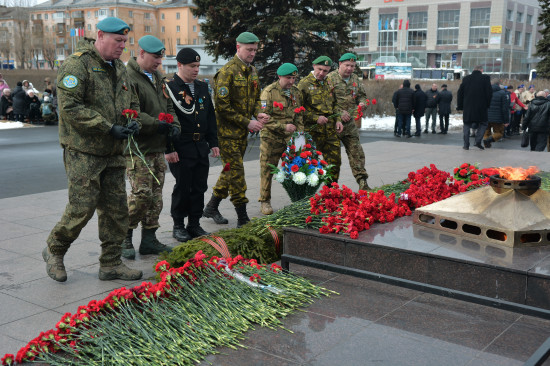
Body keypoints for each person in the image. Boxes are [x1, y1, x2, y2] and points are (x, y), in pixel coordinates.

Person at [43, 17, 143, 282]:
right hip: (83, 152)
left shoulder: (118, 68)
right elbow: (70, 108)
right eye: (118, 40)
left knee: (117, 211)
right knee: (82, 208)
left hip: (113, 152)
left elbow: (131, 99)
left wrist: (131, 119)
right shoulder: (77, 64)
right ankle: (54, 249)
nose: (123, 46)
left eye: (125, 41)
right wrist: (108, 127)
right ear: (100, 35)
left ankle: (110, 264)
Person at [122, 35, 180, 259]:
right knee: (141, 194)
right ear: (142, 53)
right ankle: (124, 236)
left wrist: (173, 125)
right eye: (156, 58)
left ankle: (149, 239)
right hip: (138, 147)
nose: (159, 62)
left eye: (161, 58)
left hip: (157, 146)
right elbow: (131, 112)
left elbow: (169, 106)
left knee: (156, 197)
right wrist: (159, 124)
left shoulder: (157, 78)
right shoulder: (128, 77)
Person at [203, 32, 269, 228]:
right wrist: (247, 122)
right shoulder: (227, 72)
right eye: (249, 50)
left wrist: (258, 114)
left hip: (242, 133)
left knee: (230, 170)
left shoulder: (253, 71)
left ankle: (212, 206)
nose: (252, 53)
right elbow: (222, 107)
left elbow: (256, 99)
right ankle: (242, 217)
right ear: (238, 48)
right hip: (227, 134)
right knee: (237, 173)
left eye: (255, 50)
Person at [166, 48, 220, 240]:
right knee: (183, 186)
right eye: (192, 66)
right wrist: (169, 148)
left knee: (199, 186)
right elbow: (166, 120)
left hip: (200, 146)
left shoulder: (202, 87)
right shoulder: (170, 88)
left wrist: (213, 142)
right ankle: (178, 224)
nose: (196, 70)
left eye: (198, 66)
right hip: (182, 146)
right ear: (180, 65)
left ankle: (194, 223)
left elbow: (210, 116)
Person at [258, 63, 304, 215]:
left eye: (293, 78)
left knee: (296, 168)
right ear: (279, 76)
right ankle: (265, 201)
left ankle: (298, 199)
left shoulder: (296, 92)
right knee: (267, 169)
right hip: (271, 137)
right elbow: (264, 119)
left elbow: (298, 115)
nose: (291, 81)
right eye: (288, 78)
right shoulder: (269, 92)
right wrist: (283, 127)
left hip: (290, 138)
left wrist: (300, 135)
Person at [327, 53, 371, 191]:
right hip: (334, 124)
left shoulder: (355, 80)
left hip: (350, 125)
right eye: (347, 65)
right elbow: (325, 102)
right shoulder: (330, 79)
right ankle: (331, 187)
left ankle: (362, 182)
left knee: (356, 152)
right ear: (340, 64)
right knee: (333, 157)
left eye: (352, 66)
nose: (350, 69)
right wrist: (339, 113)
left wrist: (362, 104)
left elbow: (362, 96)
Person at [297, 56, 344, 182]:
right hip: (313, 131)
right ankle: (308, 193)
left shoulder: (329, 82)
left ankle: (330, 191)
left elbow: (335, 104)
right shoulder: (304, 84)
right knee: (310, 163)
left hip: (330, 130)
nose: (322, 73)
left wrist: (338, 119)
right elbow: (297, 109)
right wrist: (315, 118)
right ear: (313, 66)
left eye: (326, 71)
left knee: (334, 162)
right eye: (320, 69)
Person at [456, 65, 492, 150]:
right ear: (481, 70)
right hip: (481, 107)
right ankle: (478, 141)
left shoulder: (466, 78)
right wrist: (487, 104)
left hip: (468, 107)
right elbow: (489, 93)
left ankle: (466, 145)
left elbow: (460, 93)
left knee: (467, 124)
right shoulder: (485, 78)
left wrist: (460, 106)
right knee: (483, 123)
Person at [483, 81, 510, 148]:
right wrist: (506, 120)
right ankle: (489, 140)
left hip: (485, 117)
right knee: (499, 133)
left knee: (486, 132)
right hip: (498, 118)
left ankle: (487, 144)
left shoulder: (485, 92)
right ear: (498, 85)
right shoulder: (502, 93)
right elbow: (505, 108)